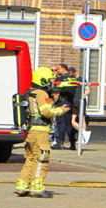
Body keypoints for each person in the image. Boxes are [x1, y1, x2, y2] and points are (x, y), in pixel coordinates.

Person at [15, 67, 67, 198]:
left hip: (32, 131)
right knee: (41, 159)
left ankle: (23, 186)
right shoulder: (41, 93)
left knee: (30, 159)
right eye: (49, 80)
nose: (51, 83)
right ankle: (37, 188)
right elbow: (46, 112)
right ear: (43, 80)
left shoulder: (30, 92)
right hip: (41, 132)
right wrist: (61, 110)